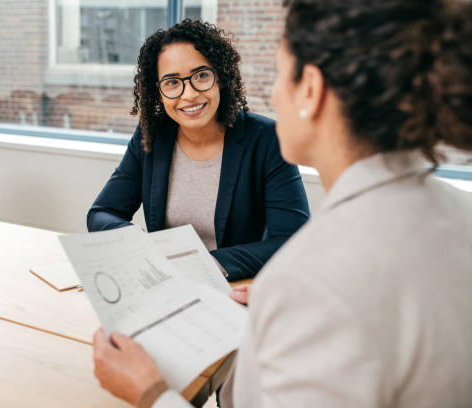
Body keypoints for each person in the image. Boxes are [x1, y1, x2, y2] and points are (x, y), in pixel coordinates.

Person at [91, 0, 472, 407]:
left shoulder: (308, 280)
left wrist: (152, 395)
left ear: (310, 89)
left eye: (277, 74)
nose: (272, 93)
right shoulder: (461, 217)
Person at [87, 19, 310, 281]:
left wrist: (207, 264)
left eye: (201, 75)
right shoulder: (152, 136)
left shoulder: (267, 140)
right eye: (172, 82)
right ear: (157, 92)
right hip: (167, 284)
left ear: (221, 77)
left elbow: (292, 240)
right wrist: (140, 245)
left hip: (236, 286)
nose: (189, 94)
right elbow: (101, 214)